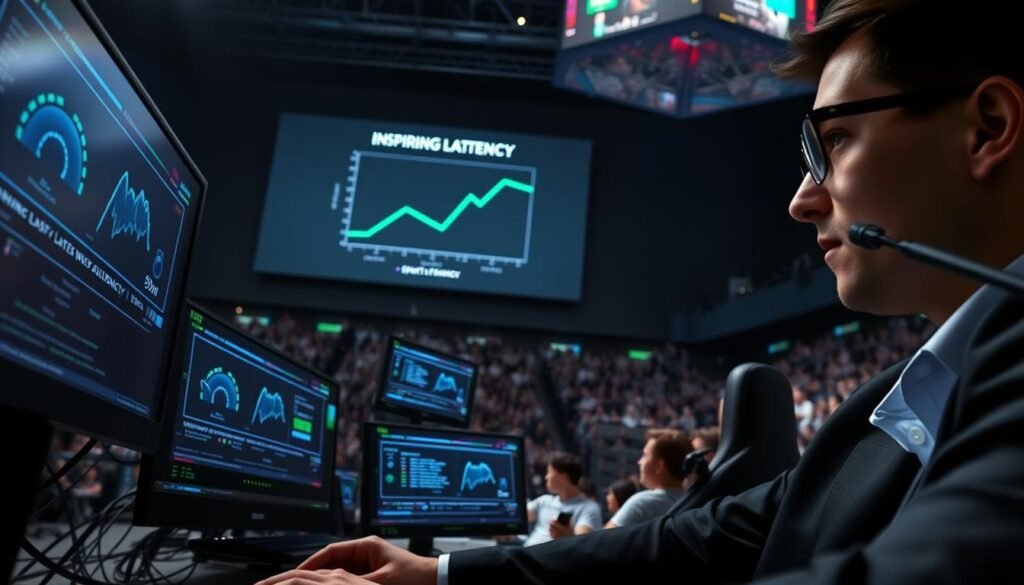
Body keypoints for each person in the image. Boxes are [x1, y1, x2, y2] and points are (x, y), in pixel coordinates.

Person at [258, 1, 1024, 582]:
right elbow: (704, 538)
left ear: (988, 126)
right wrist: (441, 574)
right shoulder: (885, 403)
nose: (801, 199)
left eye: (835, 143)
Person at [604, 429, 690, 528]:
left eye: (645, 455)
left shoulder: (641, 503)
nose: (639, 461)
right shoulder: (696, 502)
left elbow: (601, 541)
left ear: (659, 466)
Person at [521, 452, 602, 546]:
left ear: (563, 476)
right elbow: (518, 517)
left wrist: (569, 537)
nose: (546, 477)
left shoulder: (589, 508)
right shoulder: (543, 501)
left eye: (549, 472)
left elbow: (582, 544)